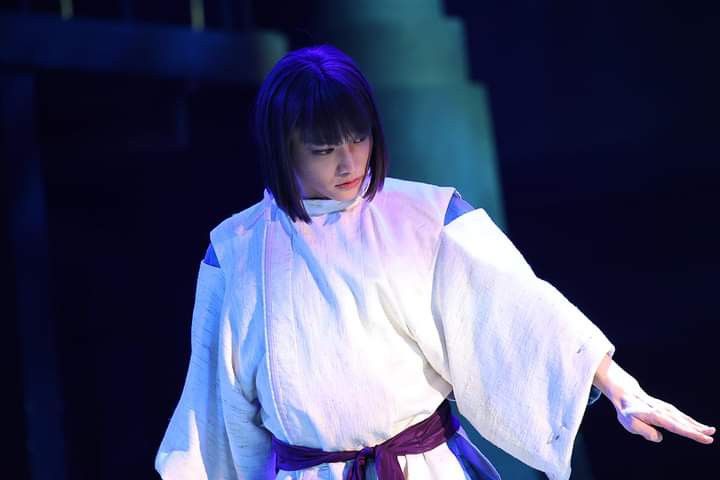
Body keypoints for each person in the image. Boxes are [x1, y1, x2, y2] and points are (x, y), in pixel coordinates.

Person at [155, 45, 714, 480]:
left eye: (358, 138)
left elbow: (526, 311)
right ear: (283, 149)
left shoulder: (424, 217)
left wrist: (620, 388)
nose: (350, 161)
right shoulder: (236, 251)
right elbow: (217, 407)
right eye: (324, 149)